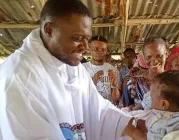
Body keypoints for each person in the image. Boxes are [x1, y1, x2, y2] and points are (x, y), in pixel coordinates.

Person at [0, 0, 137, 139]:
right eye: (77, 38)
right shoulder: (21, 76)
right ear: (49, 30)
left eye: (87, 39)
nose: (85, 46)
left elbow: (98, 111)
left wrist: (129, 128)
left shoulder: (74, 67)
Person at [129, 70, 179, 140]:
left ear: (163, 104)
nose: (150, 100)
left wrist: (132, 131)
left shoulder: (161, 124)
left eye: (152, 98)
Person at [119, 37, 167, 111]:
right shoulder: (134, 83)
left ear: (166, 54)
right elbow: (122, 110)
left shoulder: (174, 82)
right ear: (144, 59)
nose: (154, 61)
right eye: (149, 57)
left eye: (159, 56)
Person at [83, 36, 120, 104]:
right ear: (90, 50)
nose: (99, 52)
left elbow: (116, 100)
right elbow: (80, 97)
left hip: (108, 110)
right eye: (96, 49)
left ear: (106, 51)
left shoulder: (113, 69)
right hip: (90, 110)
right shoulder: (82, 69)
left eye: (103, 49)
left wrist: (114, 85)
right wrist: (93, 82)